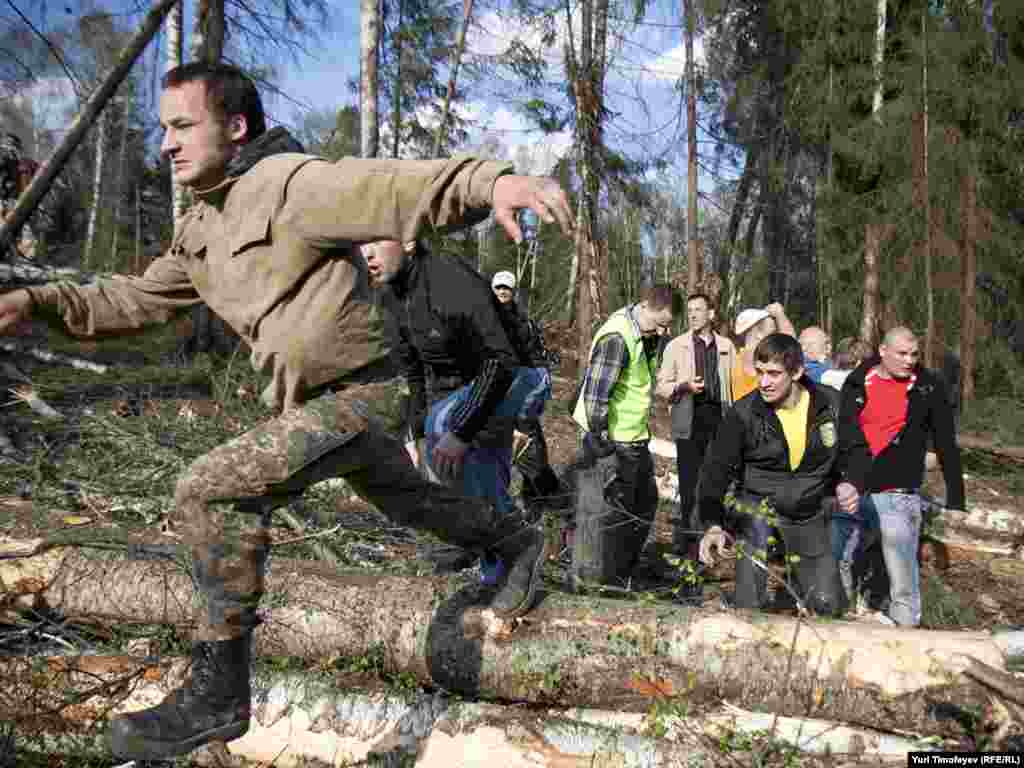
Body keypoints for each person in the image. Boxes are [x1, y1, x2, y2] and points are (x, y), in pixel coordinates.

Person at [0, 62, 574, 761]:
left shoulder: (289, 184)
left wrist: (494, 183)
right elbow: (137, 300)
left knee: (210, 489)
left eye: (183, 126)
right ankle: (516, 541)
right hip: (315, 407)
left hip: (364, 395)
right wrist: (39, 300)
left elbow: (391, 186)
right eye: (163, 128)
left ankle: (218, 689)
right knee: (415, 503)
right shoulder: (201, 228)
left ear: (236, 126)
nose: (167, 143)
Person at [362, 242, 550, 585]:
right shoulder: (391, 297)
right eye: (361, 243)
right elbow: (414, 373)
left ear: (408, 241)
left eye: (376, 241)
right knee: (453, 454)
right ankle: (489, 557)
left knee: (448, 427)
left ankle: (510, 553)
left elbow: (502, 361)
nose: (366, 254)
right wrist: (413, 434)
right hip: (467, 384)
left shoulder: (449, 280)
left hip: (520, 375)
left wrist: (461, 430)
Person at [698, 333, 864, 617]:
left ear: (797, 372)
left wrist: (850, 482)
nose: (763, 382)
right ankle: (746, 616)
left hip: (808, 512)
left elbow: (857, 450)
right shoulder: (744, 413)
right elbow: (715, 470)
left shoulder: (832, 404)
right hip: (758, 506)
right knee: (755, 531)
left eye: (774, 374)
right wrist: (713, 523)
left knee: (828, 606)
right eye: (760, 372)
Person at [836, 327, 965, 626]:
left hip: (899, 492)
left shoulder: (928, 387)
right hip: (855, 487)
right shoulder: (857, 382)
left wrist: (956, 498)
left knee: (901, 571)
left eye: (914, 354)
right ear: (883, 351)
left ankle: (906, 627)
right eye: (902, 354)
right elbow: (845, 436)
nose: (909, 360)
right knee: (839, 556)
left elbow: (946, 443)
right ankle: (838, 619)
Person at [570, 284, 682, 586]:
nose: (664, 332)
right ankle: (589, 583)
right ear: (647, 307)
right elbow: (596, 399)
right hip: (611, 443)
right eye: (661, 324)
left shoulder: (643, 334)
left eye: (667, 326)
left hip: (634, 439)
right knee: (599, 512)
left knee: (643, 504)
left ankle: (619, 574)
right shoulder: (618, 338)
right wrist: (605, 448)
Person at [655, 292, 735, 596]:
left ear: (711, 314)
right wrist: (684, 386)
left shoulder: (726, 347)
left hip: (720, 421)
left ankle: (713, 552)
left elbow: (734, 386)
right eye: (689, 311)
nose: (693, 315)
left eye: (699, 310)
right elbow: (661, 387)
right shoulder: (676, 346)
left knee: (714, 486)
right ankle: (690, 560)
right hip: (689, 420)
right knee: (690, 489)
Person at [490, 270, 568, 511]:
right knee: (520, 441)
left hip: (526, 385)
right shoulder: (485, 315)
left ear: (513, 292)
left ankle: (541, 499)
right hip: (505, 388)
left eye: (507, 288)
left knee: (526, 442)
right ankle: (542, 494)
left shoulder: (521, 321)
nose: (502, 291)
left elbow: (527, 357)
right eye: (498, 287)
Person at [731, 303, 795, 400]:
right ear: (758, 334)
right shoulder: (760, 357)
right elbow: (792, 347)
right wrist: (780, 314)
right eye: (772, 332)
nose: (776, 336)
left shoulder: (735, 358)